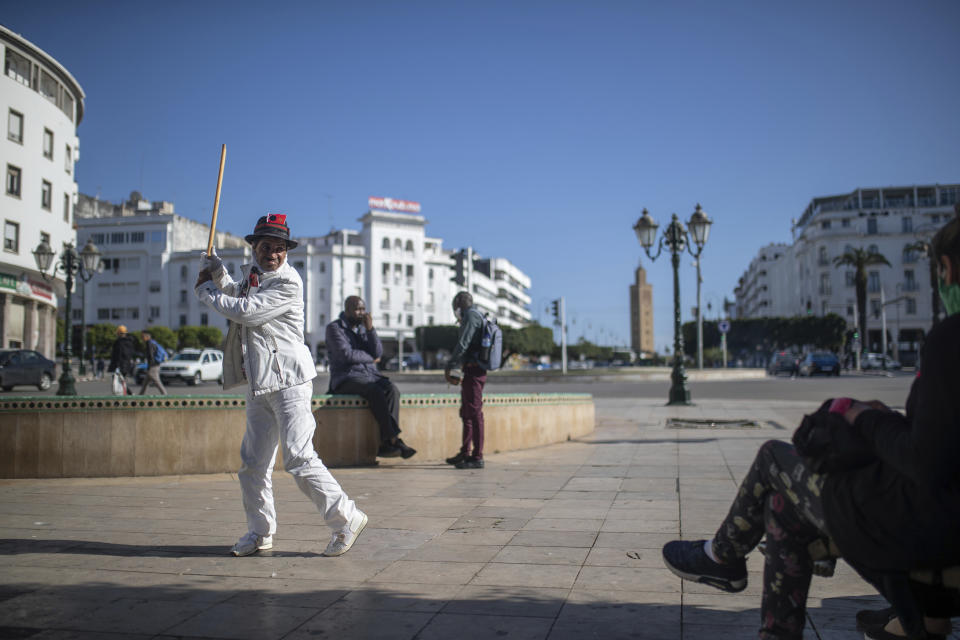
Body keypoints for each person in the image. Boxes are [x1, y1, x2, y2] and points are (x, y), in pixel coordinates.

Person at [662, 212, 960, 640]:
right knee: (783, 507)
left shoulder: (952, 339)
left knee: (773, 460)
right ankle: (921, 619)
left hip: (927, 528)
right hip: (939, 521)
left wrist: (864, 417)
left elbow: (927, 461)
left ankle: (724, 557)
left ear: (947, 269)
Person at [195, 213, 367, 558]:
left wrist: (205, 291)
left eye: (278, 248)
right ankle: (260, 533)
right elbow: (236, 293)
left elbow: (245, 311)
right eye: (265, 246)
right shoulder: (254, 277)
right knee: (253, 465)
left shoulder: (288, 283)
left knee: (300, 458)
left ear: (286, 251)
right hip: (260, 383)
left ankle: (347, 517)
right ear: (254, 248)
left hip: (290, 382)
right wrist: (217, 271)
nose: (272, 252)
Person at [326, 296, 416, 459]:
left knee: (392, 390)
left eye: (363, 309)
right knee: (374, 391)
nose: (361, 313)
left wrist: (370, 330)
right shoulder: (334, 328)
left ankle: (387, 442)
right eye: (357, 309)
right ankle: (394, 439)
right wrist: (371, 357)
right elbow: (347, 355)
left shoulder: (363, 328)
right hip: (346, 378)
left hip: (370, 375)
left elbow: (378, 352)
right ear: (347, 310)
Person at [443, 291, 487, 470]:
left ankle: (477, 457)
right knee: (467, 412)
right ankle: (465, 452)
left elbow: (464, 342)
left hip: (475, 370)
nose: (455, 311)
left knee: (475, 414)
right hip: (470, 370)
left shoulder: (470, 316)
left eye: (455, 307)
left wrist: (451, 364)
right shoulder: (475, 315)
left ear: (459, 304)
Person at [107, 325, 135, 395]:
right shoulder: (130, 342)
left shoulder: (119, 342)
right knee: (122, 381)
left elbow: (118, 355)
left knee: (118, 381)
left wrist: (116, 366)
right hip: (126, 365)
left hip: (120, 365)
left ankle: (125, 395)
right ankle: (127, 394)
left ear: (119, 333)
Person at [138, 330, 168, 396]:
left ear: (147, 336)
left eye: (142, 336)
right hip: (156, 364)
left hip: (153, 366)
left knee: (157, 381)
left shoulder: (149, 343)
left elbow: (150, 356)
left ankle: (165, 395)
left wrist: (149, 366)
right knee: (145, 382)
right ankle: (140, 396)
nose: (142, 338)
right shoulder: (153, 342)